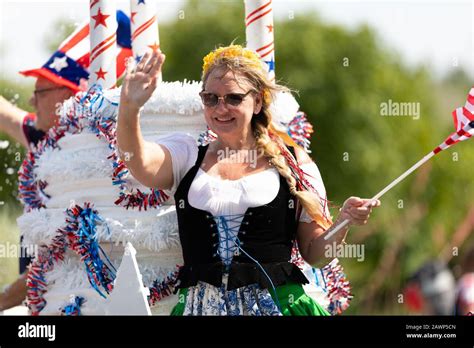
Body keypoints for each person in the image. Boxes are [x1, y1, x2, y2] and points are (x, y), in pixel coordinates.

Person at [117, 44, 380, 316]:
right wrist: (129, 107)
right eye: (211, 98)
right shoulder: (187, 155)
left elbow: (316, 254)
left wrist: (344, 221)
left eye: (233, 98)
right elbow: (138, 162)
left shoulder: (294, 162)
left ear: (257, 101)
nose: (221, 108)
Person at [0, 12, 132, 313]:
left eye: (39, 92)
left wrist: (5, 299)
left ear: (67, 96)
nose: (31, 102)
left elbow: (53, 258)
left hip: (77, 302)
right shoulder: (43, 136)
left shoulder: (96, 157)